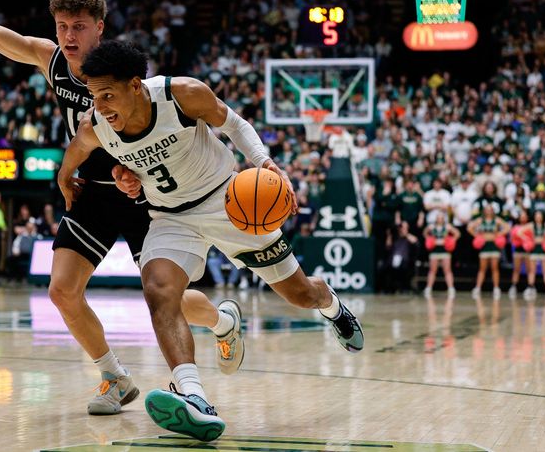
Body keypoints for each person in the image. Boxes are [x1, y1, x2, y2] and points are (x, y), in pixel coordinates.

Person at [0, 0, 237, 416]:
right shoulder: (50, 59)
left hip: (142, 193)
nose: (69, 35)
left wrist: (132, 172)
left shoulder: (125, 71)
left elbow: (153, 137)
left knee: (166, 295)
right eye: (62, 26)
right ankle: (114, 377)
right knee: (61, 290)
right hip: (90, 193)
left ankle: (220, 321)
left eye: (78, 26)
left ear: (99, 28)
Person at [57, 40, 363, 441]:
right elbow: (76, 151)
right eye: (95, 96)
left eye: (108, 94)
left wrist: (265, 163)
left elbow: (233, 123)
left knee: (300, 294)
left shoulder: (181, 94)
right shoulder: (95, 125)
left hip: (230, 202)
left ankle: (331, 304)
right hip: (170, 216)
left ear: (136, 85)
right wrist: (68, 177)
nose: (100, 105)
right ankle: (194, 396)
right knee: (158, 290)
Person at [467, 204, 511, 300]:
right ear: (484, 211)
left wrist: (499, 234)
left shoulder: (497, 220)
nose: (489, 211)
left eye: (490, 209)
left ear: (493, 211)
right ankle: (478, 288)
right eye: (487, 209)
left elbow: (507, 227)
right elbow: (469, 228)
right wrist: (477, 236)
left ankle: (496, 288)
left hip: (494, 246)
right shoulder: (480, 220)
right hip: (484, 246)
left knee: (494, 268)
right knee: (482, 268)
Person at [520, 210, 545, 301]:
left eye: (540, 215)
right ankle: (531, 288)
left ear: (543, 216)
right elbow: (519, 232)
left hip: (543, 249)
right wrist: (527, 239)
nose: (538, 217)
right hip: (534, 249)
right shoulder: (532, 225)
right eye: (537, 215)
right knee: (532, 271)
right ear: (534, 216)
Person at [422, 212, 460, 298]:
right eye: (438, 217)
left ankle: (451, 288)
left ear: (444, 219)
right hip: (434, 250)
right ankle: (428, 288)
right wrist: (430, 240)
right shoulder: (431, 227)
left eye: (441, 217)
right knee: (432, 270)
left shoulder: (447, 227)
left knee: (447, 270)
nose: (440, 219)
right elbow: (424, 233)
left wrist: (451, 240)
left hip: (445, 250)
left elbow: (457, 234)